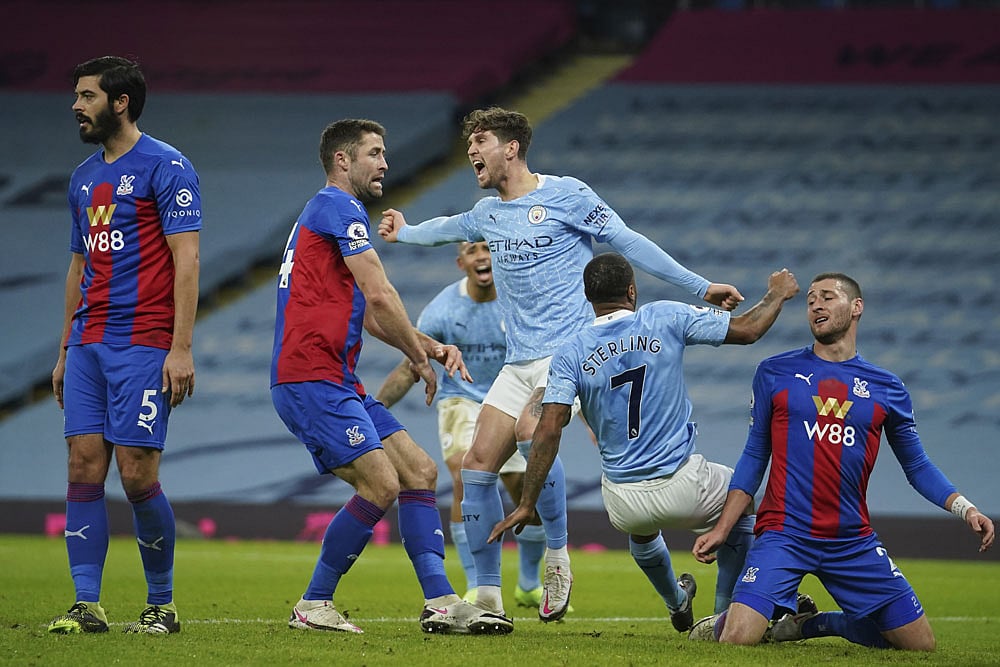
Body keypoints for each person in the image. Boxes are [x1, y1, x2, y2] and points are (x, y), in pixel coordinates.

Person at [378, 106, 744, 627]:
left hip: (570, 353)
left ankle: (557, 555)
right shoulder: (487, 213)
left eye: (480, 142)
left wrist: (699, 286)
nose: (472, 154)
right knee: (478, 464)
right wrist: (406, 231)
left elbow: (628, 240)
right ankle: (487, 595)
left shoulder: (567, 194)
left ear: (511, 147)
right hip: (519, 359)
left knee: (532, 429)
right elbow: (445, 228)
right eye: (468, 146)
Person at [270, 118, 511, 636]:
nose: (385, 164)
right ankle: (313, 604)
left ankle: (440, 602)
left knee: (420, 472)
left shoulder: (329, 214)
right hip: (308, 377)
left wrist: (425, 344)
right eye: (375, 153)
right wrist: (419, 361)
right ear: (343, 160)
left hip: (335, 376)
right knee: (381, 483)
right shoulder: (337, 206)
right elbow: (380, 293)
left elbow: (368, 314)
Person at [488, 253, 800, 632]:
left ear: (588, 298)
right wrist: (777, 294)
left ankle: (676, 602)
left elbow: (548, 428)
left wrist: (527, 502)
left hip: (622, 501)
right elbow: (749, 329)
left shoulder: (571, 351)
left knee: (643, 527)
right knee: (744, 500)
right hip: (684, 485)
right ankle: (721, 617)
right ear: (632, 291)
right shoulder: (664, 317)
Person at [690, 272, 995, 650]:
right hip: (785, 533)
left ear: (856, 308)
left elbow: (916, 466)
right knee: (738, 639)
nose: (816, 304)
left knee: (920, 646)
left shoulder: (887, 387)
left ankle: (810, 624)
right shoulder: (775, 372)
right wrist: (722, 529)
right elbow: (755, 455)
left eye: (828, 297)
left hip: (850, 540)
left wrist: (965, 509)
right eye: (811, 299)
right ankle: (724, 620)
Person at [47, 56, 201, 635]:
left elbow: (186, 258)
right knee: (83, 467)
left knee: (136, 473)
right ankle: (86, 605)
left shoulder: (168, 166)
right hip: (88, 343)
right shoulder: (83, 177)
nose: (76, 105)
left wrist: (179, 347)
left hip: (143, 342)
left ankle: (161, 603)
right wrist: (65, 349)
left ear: (120, 102)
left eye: (87, 96)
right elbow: (78, 265)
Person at [375, 240, 548, 608]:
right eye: (472, 250)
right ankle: (476, 584)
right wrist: (373, 407)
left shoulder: (519, 300)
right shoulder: (442, 309)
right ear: (461, 263)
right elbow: (413, 364)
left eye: (487, 248)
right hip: (462, 398)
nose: (481, 255)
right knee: (464, 475)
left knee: (524, 490)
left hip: (511, 398)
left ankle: (530, 582)